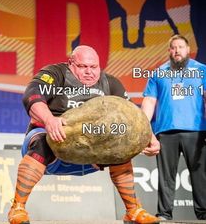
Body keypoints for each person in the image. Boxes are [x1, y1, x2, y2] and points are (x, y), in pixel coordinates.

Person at [8, 45, 160, 224]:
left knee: (121, 147)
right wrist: (50, 120)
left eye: (93, 67)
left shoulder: (110, 83)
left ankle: (133, 211)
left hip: (90, 153)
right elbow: (32, 96)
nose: (89, 72)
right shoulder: (55, 74)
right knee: (42, 141)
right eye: (82, 67)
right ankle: (17, 208)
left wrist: (150, 138)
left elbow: (133, 116)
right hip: (52, 144)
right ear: (71, 63)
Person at [141, 34, 206, 220]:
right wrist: (146, 132)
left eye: (181, 47)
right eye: (173, 47)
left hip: (197, 131)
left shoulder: (202, 71)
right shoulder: (158, 73)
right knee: (165, 176)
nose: (177, 50)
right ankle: (164, 213)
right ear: (169, 51)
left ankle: (203, 213)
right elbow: (149, 102)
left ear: (188, 49)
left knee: (200, 175)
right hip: (165, 132)